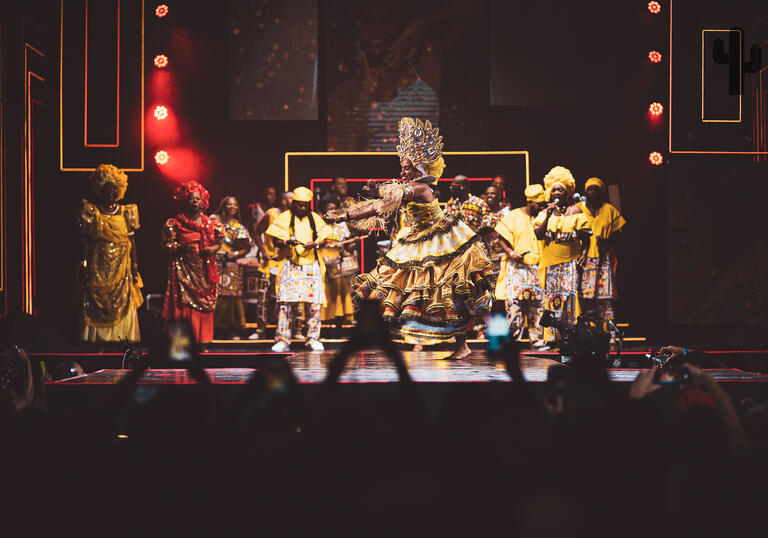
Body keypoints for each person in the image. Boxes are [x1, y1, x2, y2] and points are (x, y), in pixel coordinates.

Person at [328, 117, 495, 359]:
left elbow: (384, 198)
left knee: (448, 290)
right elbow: (378, 206)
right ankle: (456, 343)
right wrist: (344, 216)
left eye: (406, 168)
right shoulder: (407, 188)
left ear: (418, 169)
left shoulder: (421, 188)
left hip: (444, 240)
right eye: (403, 167)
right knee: (411, 286)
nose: (402, 171)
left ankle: (462, 344)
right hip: (421, 240)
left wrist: (362, 202)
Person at [77, 164, 143, 342]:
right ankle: (97, 340)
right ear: (100, 189)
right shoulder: (92, 212)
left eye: (114, 188)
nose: (110, 192)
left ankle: (121, 337)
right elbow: (86, 241)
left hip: (122, 265)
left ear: (119, 190)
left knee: (123, 299)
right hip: (98, 264)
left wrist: (135, 265)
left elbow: (132, 240)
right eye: (107, 188)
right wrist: (84, 264)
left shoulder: (127, 212)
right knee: (96, 298)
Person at [266, 186, 332, 352]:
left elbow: (325, 237)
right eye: (299, 205)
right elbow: (275, 240)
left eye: (305, 205)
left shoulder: (315, 218)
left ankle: (313, 338)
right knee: (284, 304)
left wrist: (315, 243)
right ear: (293, 203)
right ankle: (282, 339)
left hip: (311, 265)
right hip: (291, 263)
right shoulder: (284, 217)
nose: (302, 208)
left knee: (314, 305)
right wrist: (288, 242)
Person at [161, 181, 225, 344]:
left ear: (203, 200)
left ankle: (203, 342)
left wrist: (213, 249)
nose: (195, 202)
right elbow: (166, 245)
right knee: (183, 306)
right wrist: (182, 248)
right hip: (183, 270)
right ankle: (182, 345)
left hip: (204, 270)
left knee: (205, 306)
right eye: (191, 199)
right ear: (185, 201)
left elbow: (219, 242)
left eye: (197, 198)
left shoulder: (211, 224)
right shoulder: (175, 224)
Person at [533, 166, 591, 343]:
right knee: (552, 299)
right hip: (550, 262)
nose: (557, 192)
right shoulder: (544, 213)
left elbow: (586, 237)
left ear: (567, 192)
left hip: (570, 261)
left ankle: (571, 337)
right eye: (554, 189)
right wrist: (549, 214)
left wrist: (584, 254)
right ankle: (552, 337)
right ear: (550, 193)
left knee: (571, 299)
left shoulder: (576, 212)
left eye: (561, 189)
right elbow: (539, 234)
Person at [494, 184, 547, 348]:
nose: (541, 206)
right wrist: (510, 252)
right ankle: (512, 342)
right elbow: (499, 237)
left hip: (537, 268)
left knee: (537, 306)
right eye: (539, 204)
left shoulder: (543, 216)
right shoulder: (514, 215)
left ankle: (537, 341)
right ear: (530, 202)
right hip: (517, 267)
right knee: (515, 307)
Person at [576, 177, 626, 335]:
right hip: (582, 260)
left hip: (603, 259)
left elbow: (620, 232)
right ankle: (588, 335)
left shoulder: (609, 210)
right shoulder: (577, 209)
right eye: (590, 189)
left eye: (596, 189)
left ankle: (609, 336)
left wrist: (607, 240)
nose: (593, 192)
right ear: (585, 191)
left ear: (601, 192)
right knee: (585, 299)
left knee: (605, 300)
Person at [246, 191, 293, 338]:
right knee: (264, 297)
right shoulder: (272, 213)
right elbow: (257, 231)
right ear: (283, 201)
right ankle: (260, 330)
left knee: (285, 298)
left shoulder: (295, 216)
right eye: (290, 198)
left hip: (287, 263)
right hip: (269, 262)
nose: (292, 201)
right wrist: (263, 250)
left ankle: (285, 329)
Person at [210, 196, 253, 339]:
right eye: (229, 204)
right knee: (214, 294)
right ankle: (212, 328)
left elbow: (247, 247)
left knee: (231, 297)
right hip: (213, 262)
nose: (232, 207)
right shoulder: (213, 220)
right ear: (223, 205)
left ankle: (232, 329)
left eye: (235, 205)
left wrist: (234, 253)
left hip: (230, 264)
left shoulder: (238, 226)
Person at [319, 198, 355, 330]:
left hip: (337, 260)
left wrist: (351, 243)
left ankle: (339, 319)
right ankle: (324, 320)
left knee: (340, 289)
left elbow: (347, 244)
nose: (333, 211)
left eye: (335, 209)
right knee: (325, 289)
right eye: (329, 209)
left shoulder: (341, 226)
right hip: (322, 260)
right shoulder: (319, 225)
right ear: (322, 212)